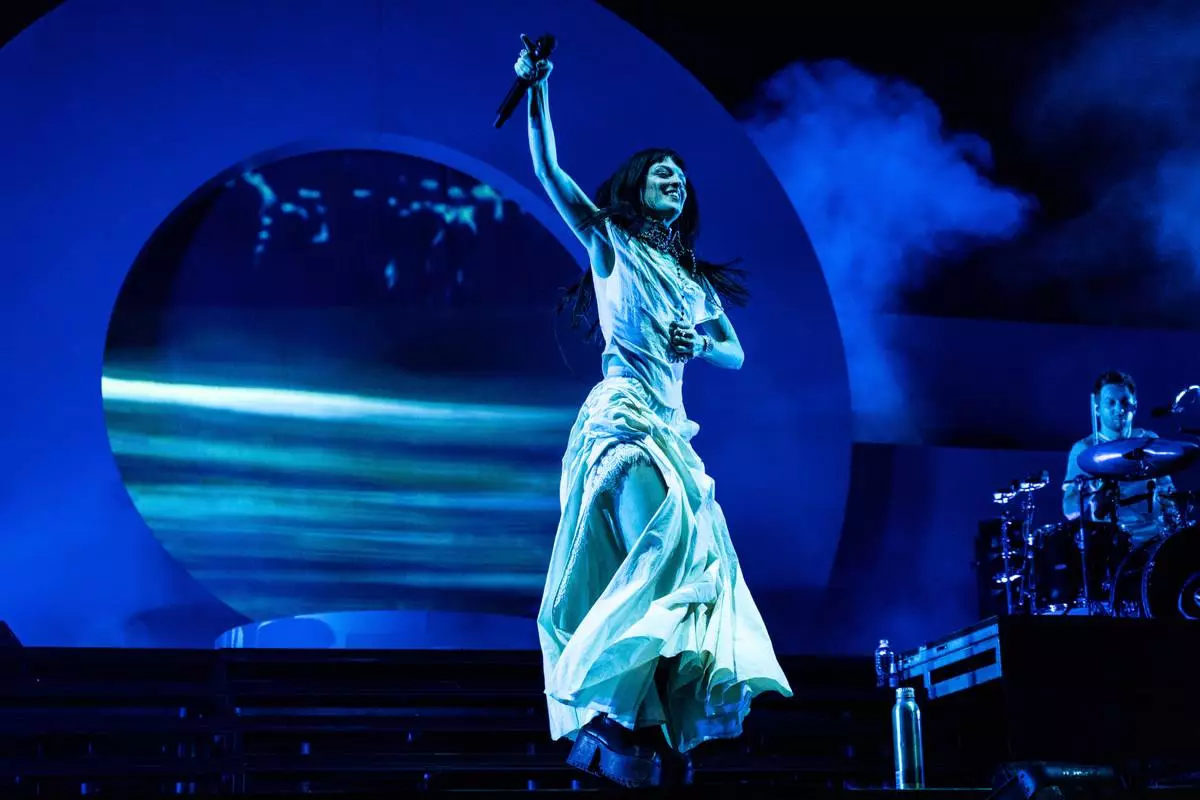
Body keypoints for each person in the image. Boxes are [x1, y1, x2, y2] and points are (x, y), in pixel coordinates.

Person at [514, 37, 792, 789]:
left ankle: (644, 728)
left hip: (674, 432)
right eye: (661, 171)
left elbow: (734, 351)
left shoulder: (692, 281)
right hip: (625, 422)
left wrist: (696, 338)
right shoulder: (609, 242)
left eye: (681, 175)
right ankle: (602, 705)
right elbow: (548, 170)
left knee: (695, 570)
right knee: (665, 548)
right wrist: (537, 90)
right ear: (638, 187)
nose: (674, 177)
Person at [1062, 370, 1180, 544]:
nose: (1119, 409)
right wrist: (1091, 490)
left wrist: (1173, 517)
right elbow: (1069, 510)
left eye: (1125, 401)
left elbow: (1169, 496)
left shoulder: (1149, 441)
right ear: (1097, 409)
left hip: (1155, 541)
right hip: (1112, 545)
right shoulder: (1084, 449)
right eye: (1111, 402)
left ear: (1135, 405)